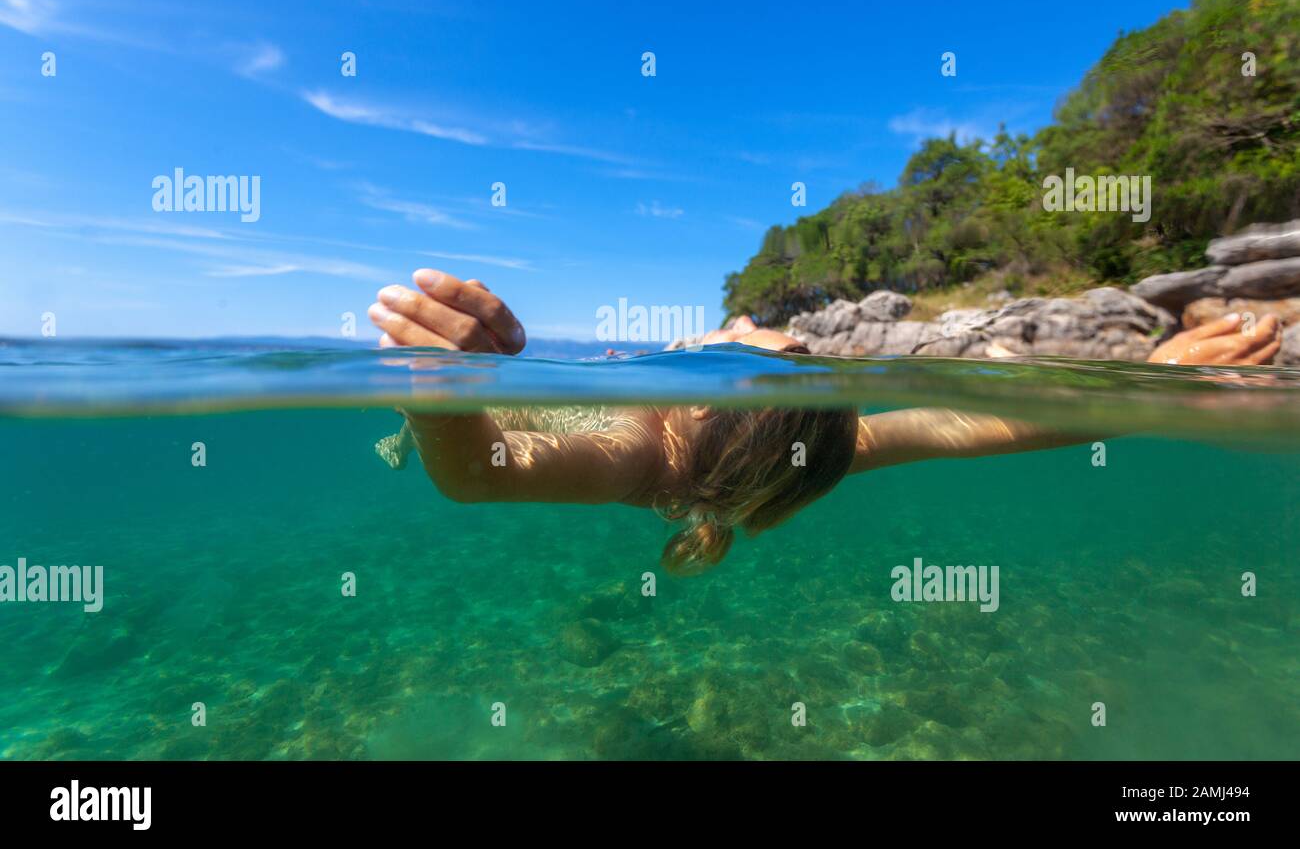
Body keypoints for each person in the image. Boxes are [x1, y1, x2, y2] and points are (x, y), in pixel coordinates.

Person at [368, 269, 1282, 575]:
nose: (724, 328)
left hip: (478, 421)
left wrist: (432, 391)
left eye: (735, 340)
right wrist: (1149, 382)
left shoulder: (636, 446)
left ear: (697, 406)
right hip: (710, 484)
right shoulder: (826, 452)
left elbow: (482, 473)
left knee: (407, 443)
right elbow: (980, 427)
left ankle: (394, 430)